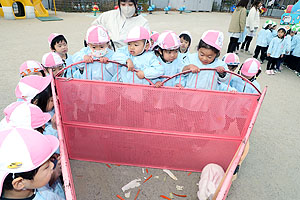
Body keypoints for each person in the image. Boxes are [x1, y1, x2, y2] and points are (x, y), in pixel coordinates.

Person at [0, 127, 64, 200]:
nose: (52, 165)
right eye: (46, 167)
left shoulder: (29, 184)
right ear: (19, 183)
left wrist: (55, 173)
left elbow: (41, 183)